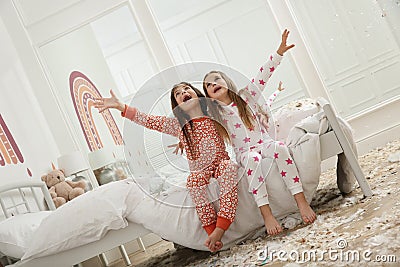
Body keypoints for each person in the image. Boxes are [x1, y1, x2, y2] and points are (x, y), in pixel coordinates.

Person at [94, 83, 239, 252]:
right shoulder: (179, 126)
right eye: (178, 94)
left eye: (186, 89)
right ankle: (211, 232)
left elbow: (235, 113)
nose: (183, 93)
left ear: (198, 95)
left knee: (229, 167)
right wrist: (121, 107)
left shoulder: (214, 114)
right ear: (178, 107)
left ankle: (221, 228)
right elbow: (149, 120)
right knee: (193, 183)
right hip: (199, 172)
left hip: (220, 163)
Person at [202, 29, 316, 236]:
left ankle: (301, 201)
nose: (213, 84)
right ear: (208, 95)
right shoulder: (216, 114)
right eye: (209, 85)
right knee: (253, 161)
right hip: (245, 152)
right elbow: (198, 124)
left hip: (265, 142)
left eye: (217, 79)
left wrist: (279, 52)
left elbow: (264, 75)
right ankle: (266, 214)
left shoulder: (247, 96)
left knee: (280, 148)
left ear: (227, 82)